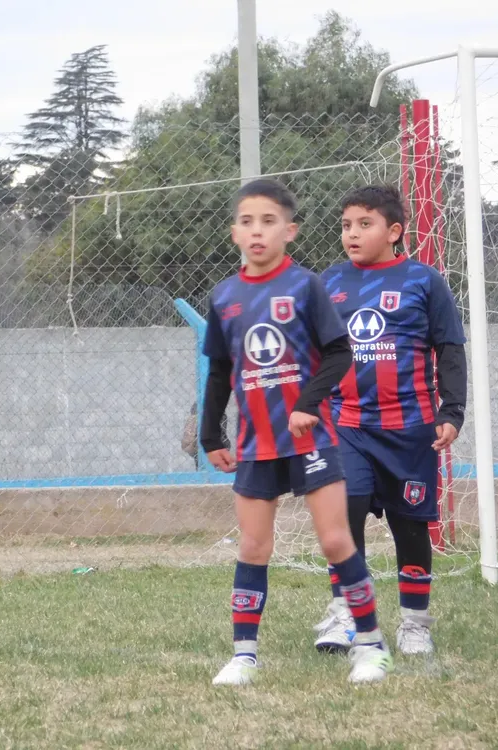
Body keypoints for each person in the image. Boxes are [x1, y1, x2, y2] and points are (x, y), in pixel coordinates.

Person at [200, 178, 393, 686]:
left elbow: (339, 352)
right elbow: (220, 370)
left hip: (311, 438)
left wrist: (309, 405)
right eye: (247, 222)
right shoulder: (223, 297)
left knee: (334, 540)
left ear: (291, 231)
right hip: (255, 443)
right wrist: (210, 436)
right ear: (234, 233)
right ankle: (244, 656)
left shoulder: (306, 286)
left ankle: (371, 646)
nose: (257, 231)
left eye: (268, 221)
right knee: (253, 547)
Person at [312, 185, 467, 657]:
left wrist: (452, 411)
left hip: (410, 431)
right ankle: (346, 614)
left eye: (365, 224)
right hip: (349, 426)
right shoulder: (330, 284)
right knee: (345, 518)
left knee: (411, 527)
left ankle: (415, 623)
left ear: (394, 231)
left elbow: (450, 349)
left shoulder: (424, 281)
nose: (352, 233)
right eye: (345, 225)